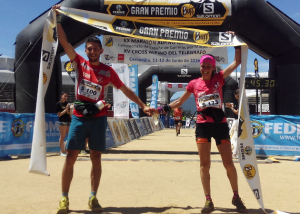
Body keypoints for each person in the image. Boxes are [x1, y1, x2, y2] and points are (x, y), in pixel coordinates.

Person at [52, 5, 154, 214]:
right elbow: (63, 41)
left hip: (98, 118)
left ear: (101, 51)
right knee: (71, 157)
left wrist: (143, 105)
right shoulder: (79, 63)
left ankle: (93, 197)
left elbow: (125, 89)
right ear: (86, 51)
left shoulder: (107, 71)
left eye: (95, 49)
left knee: (96, 158)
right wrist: (58, 18)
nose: (91, 51)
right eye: (88, 48)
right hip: (79, 117)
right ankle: (64, 198)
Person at [156, 41, 247, 213]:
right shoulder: (194, 83)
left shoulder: (219, 78)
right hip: (203, 126)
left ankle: (236, 196)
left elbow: (237, 62)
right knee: (204, 165)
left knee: (228, 163)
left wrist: (235, 43)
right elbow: (180, 101)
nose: (204, 68)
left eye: (208, 66)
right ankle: (208, 200)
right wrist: (163, 109)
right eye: (202, 65)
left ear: (213, 68)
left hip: (220, 126)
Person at [56, 92, 72, 156]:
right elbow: (59, 115)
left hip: (68, 121)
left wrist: (70, 109)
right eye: (65, 96)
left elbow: (69, 114)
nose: (66, 97)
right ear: (61, 96)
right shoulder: (58, 104)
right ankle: (62, 151)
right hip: (62, 121)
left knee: (70, 136)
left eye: (67, 96)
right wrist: (66, 110)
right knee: (62, 136)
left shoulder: (67, 103)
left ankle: (65, 149)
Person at [226, 89, 240, 159]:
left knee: (236, 137)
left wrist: (231, 108)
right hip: (240, 120)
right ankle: (235, 152)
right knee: (235, 136)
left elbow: (237, 112)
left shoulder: (239, 102)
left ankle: (235, 153)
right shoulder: (242, 102)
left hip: (238, 120)